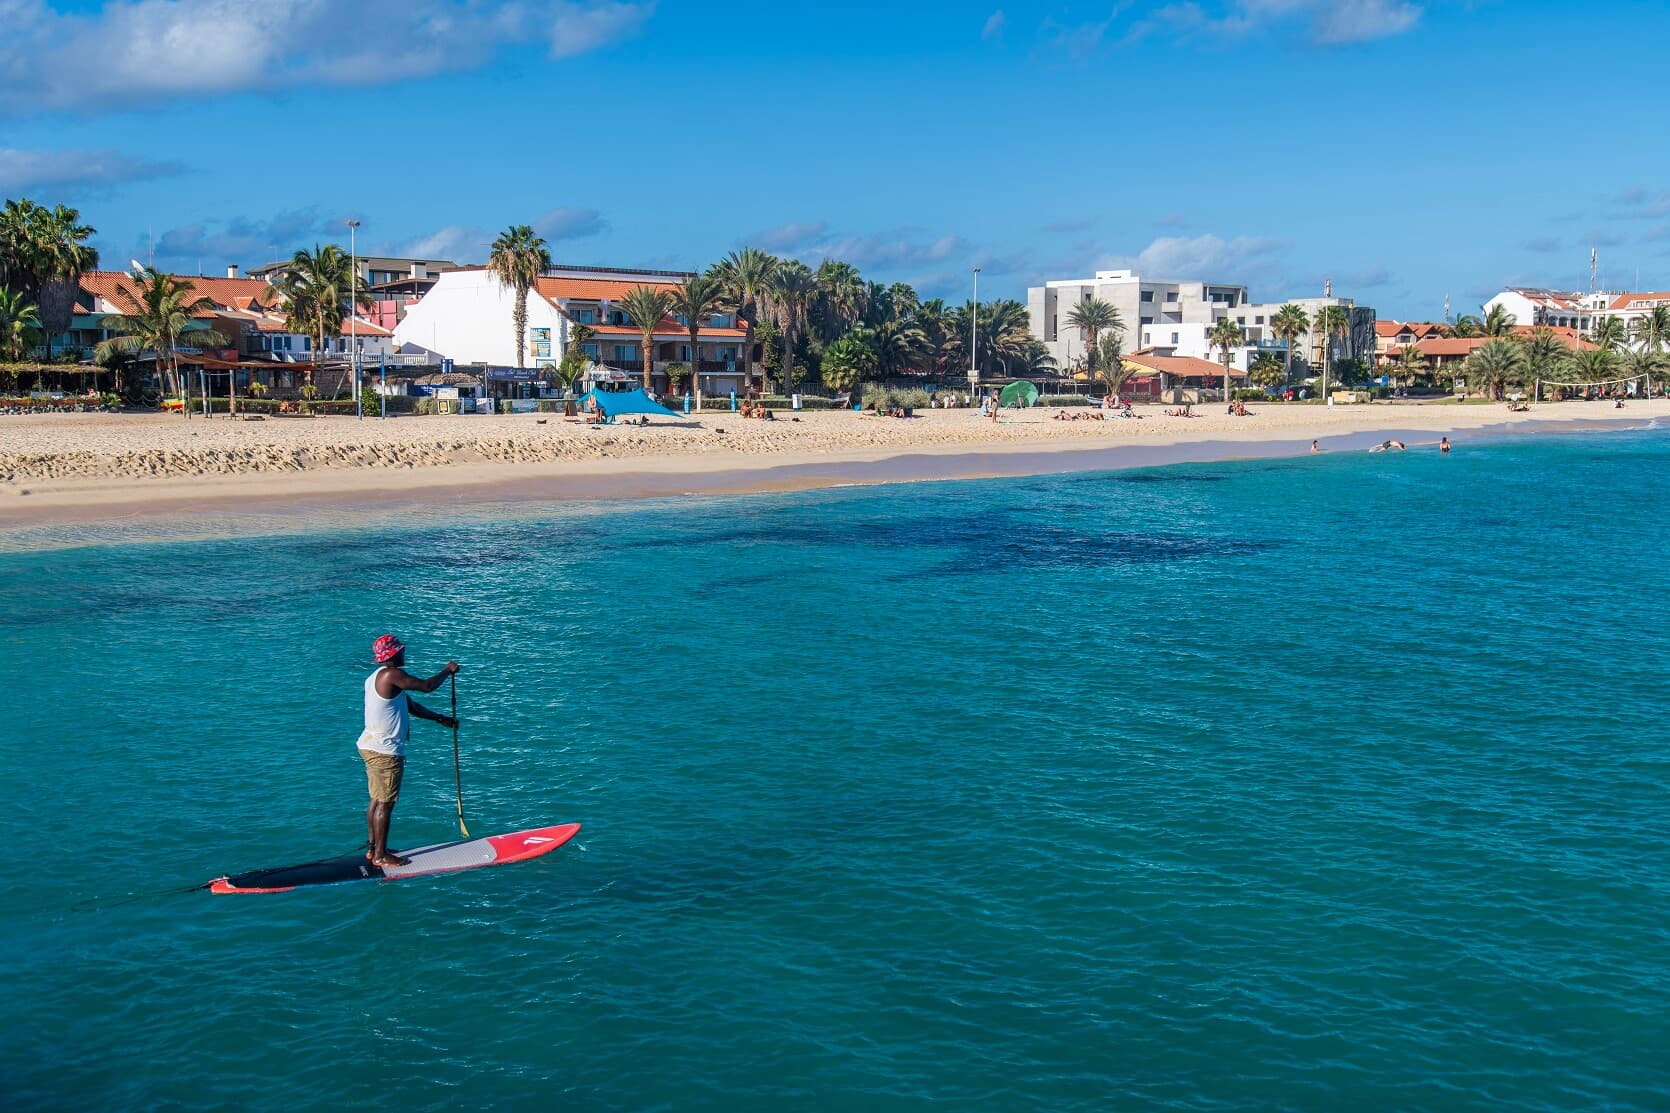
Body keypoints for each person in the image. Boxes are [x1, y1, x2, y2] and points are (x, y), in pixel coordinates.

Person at [358, 635, 460, 868]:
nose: (404, 653)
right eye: (401, 650)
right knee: (385, 803)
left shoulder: (377, 678)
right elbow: (427, 686)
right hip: (385, 751)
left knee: (376, 799)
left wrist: (440, 719)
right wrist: (447, 670)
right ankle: (381, 855)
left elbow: (410, 706)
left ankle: (373, 849)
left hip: (371, 746)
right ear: (393, 655)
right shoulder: (392, 674)